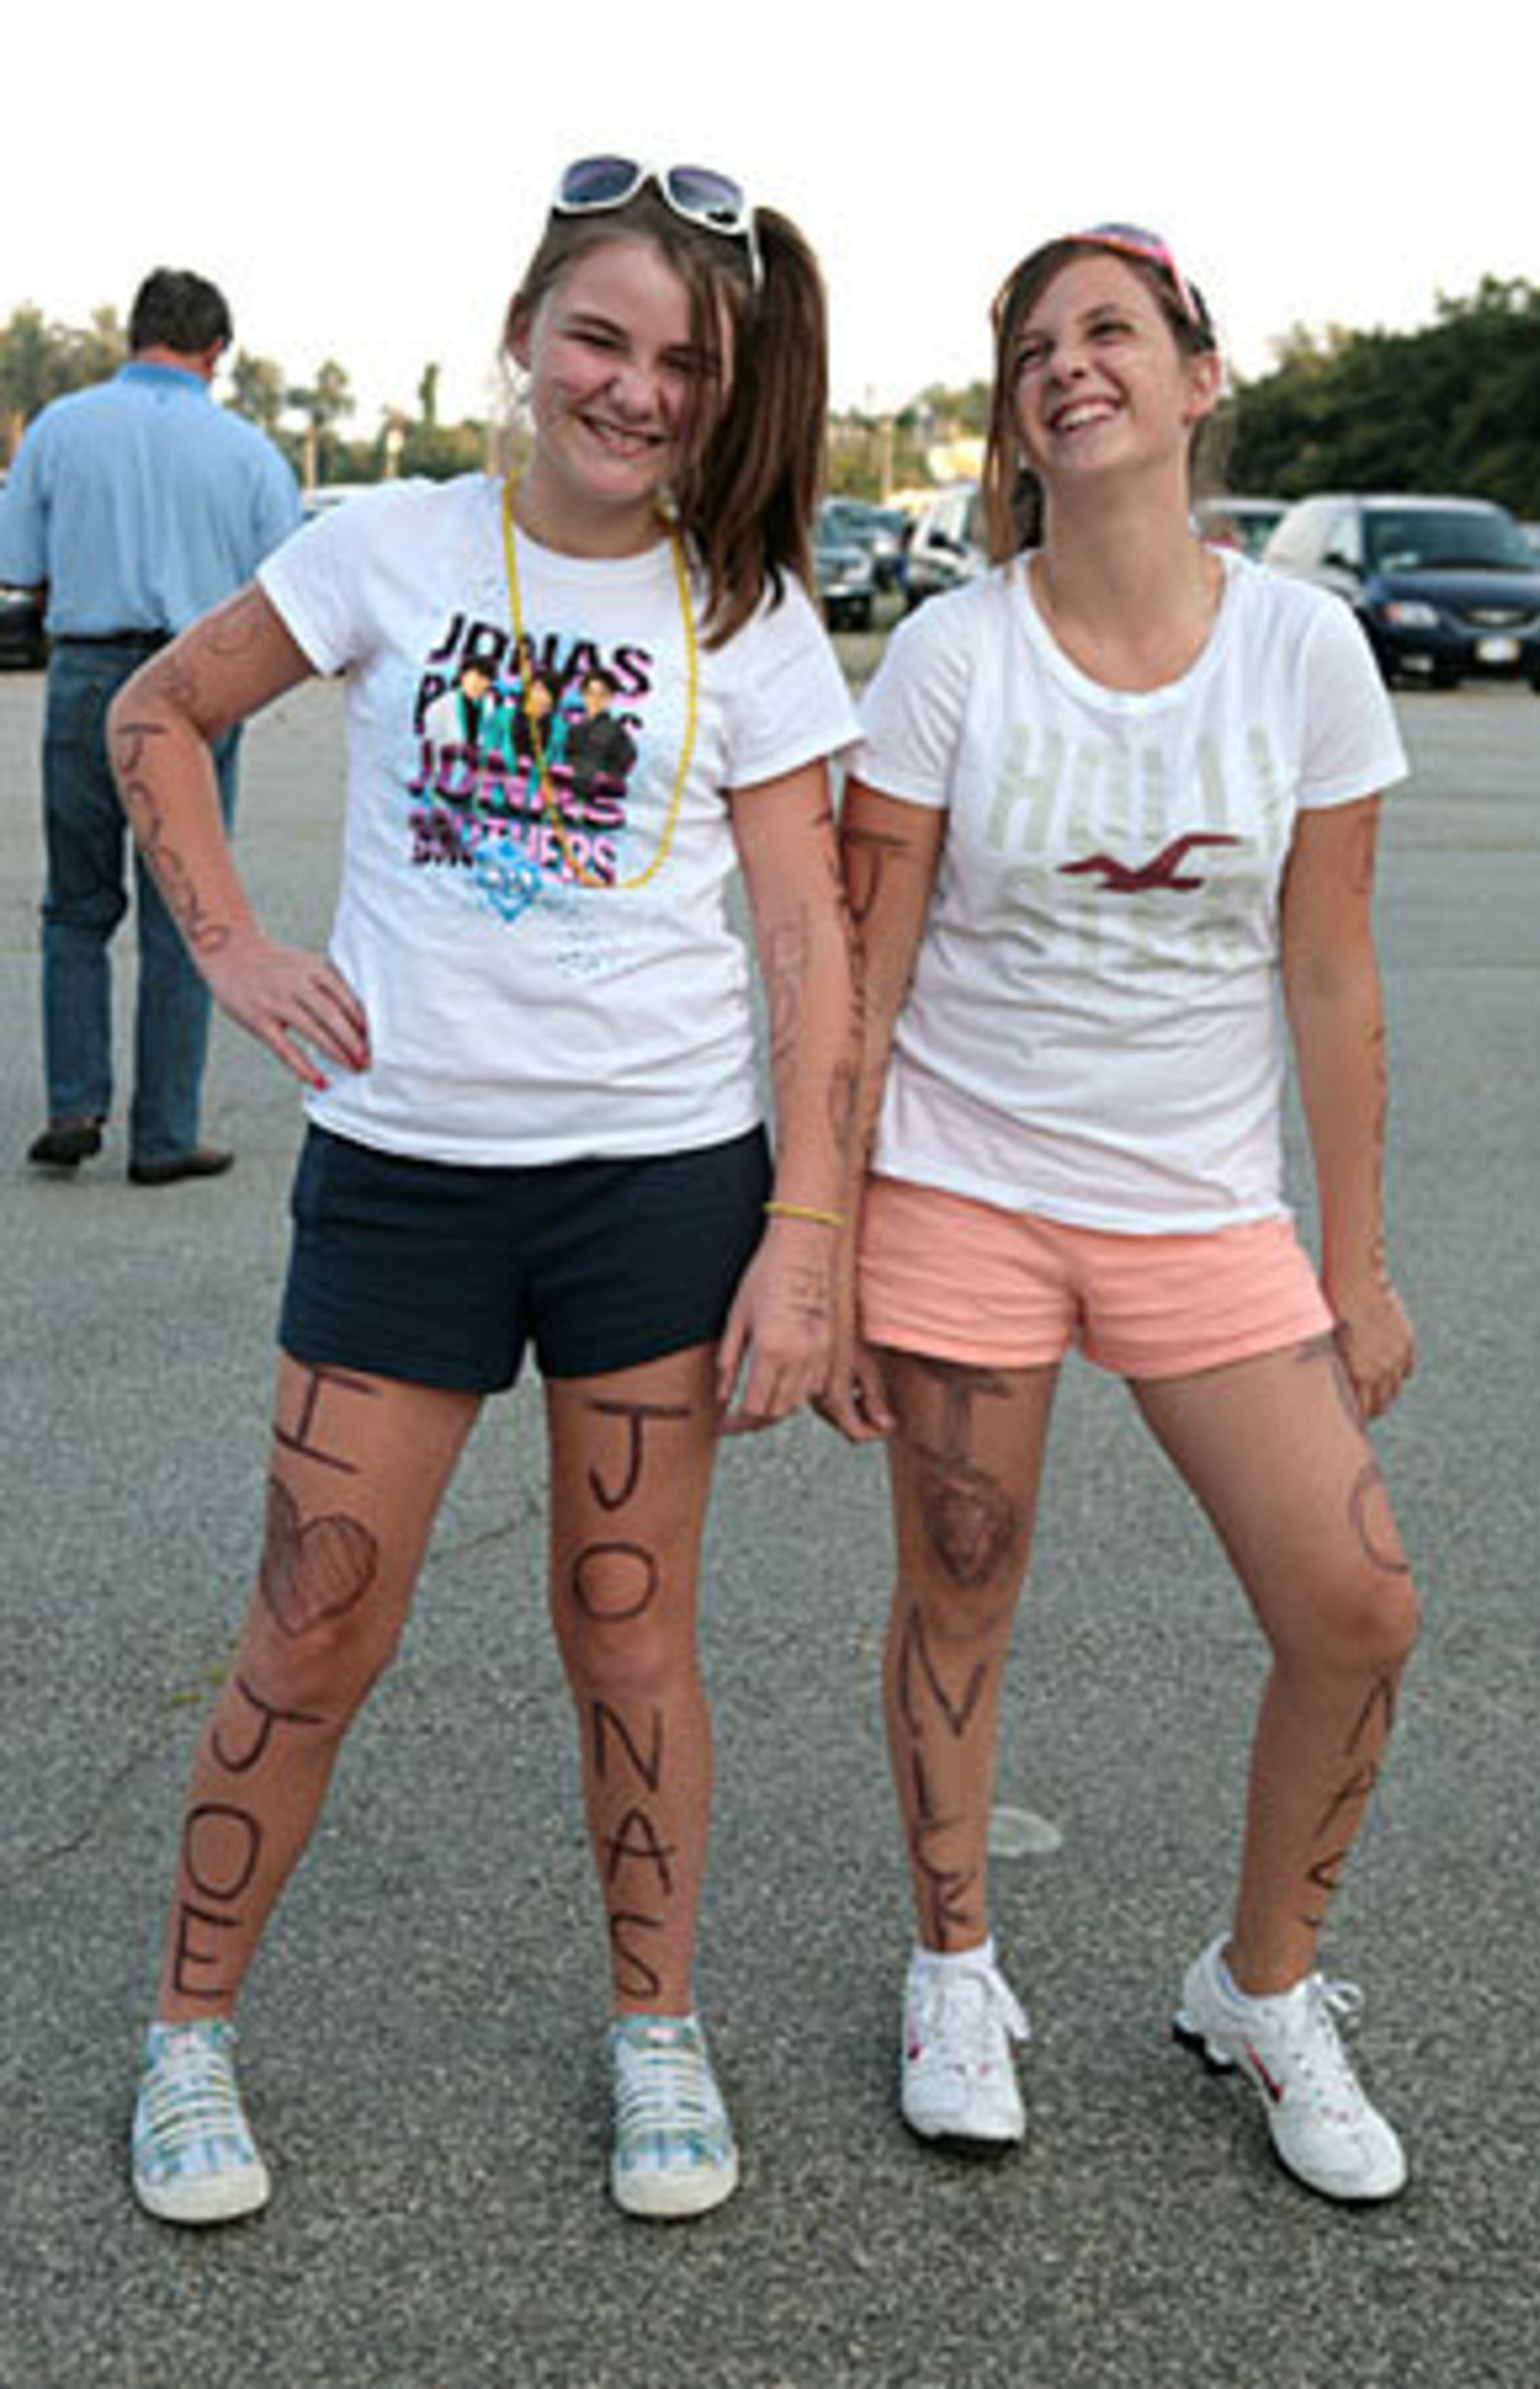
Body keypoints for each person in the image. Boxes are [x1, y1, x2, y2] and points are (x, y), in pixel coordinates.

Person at [108, 157, 858, 2227]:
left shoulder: (750, 610)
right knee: (314, 1616)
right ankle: (187, 2032)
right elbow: (157, 713)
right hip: (408, 1180)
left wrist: (809, 1235)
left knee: (629, 1636)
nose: (633, 391)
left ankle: (654, 2024)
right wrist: (237, 951)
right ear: (526, 336)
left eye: (681, 363)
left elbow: (810, 939)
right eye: (600, 340)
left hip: (660, 1189)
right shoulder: (386, 545)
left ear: (722, 393)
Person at [825, 224, 1420, 2204]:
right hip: (966, 1183)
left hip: (1199, 1208)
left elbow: (1327, 966)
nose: (1068, 366)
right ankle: (954, 1963)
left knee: (1355, 1600)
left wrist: (1352, 1256)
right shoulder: (944, 655)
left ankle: (1260, 1987)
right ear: (1015, 414)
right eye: (1033, 346)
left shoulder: (1302, 648)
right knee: (963, 1577)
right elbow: (865, 970)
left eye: (1109, 332)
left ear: (1191, 378)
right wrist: (813, 1239)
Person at [0, 268, 302, 1184]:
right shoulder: (250, 454)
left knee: (76, 908)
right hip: (202, 683)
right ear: (217, 352)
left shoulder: (59, 429)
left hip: (87, 672)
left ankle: (75, 1104)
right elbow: (283, 595)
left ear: (133, 338)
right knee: (186, 911)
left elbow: (17, 562)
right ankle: (165, 1135)